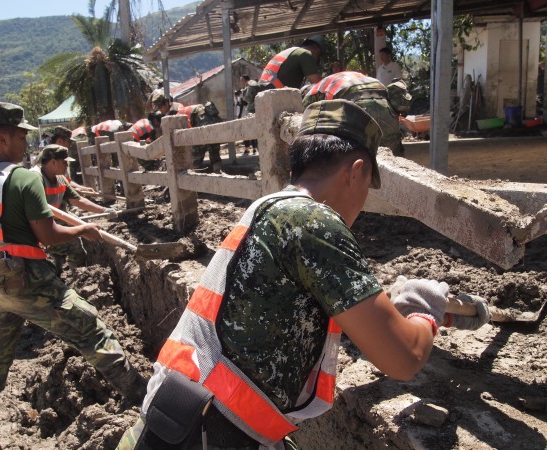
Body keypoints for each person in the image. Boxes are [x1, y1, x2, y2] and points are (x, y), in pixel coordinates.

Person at [116, 99, 490, 450]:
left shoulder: (271, 209)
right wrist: (426, 309)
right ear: (356, 171)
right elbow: (403, 358)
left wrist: (387, 313)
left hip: (181, 422)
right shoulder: (314, 222)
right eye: (367, 187)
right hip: (207, 433)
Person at [0, 102, 147, 450]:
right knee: (90, 330)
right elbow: (49, 235)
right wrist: (82, 231)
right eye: (22, 136)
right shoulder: (22, 177)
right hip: (27, 280)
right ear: (3, 138)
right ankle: (148, 401)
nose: (27, 144)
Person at [32, 144, 117, 274]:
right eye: (64, 162)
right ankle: (78, 276)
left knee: (71, 233)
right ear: (53, 162)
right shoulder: (35, 179)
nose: (67, 166)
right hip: (40, 225)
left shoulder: (60, 178)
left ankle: (59, 268)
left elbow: (78, 200)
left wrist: (103, 211)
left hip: (56, 219)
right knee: (76, 248)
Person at [302, 71, 406, 156]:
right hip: (384, 102)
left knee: (359, 152)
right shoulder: (337, 78)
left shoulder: (313, 92)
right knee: (393, 152)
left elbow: (309, 121)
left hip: (356, 104)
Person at [258, 35, 324, 90]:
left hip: (263, 94)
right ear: (317, 50)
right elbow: (319, 85)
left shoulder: (291, 52)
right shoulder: (305, 54)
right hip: (275, 96)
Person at [50, 125, 97, 195]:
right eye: (68, 142)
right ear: (59, 141)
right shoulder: (49, 158)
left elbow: (67, 181)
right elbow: (54, 186)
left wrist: (83, 188)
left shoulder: (61, 158)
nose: (70, 145)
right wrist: (73, 190)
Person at [191, 101, 223, 173]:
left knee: (196, 160)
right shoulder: (205, 110)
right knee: (215, 156)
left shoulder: (181, 112)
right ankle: (218, 172)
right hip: (214, 130)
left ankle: (196, 177)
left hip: (201, 131)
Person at [237, 74, 258, 156]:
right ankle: (247, 148)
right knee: (245, 131)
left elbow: (248, 100)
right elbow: (239, 104)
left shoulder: (251, 88)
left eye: (242, 80)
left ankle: (254, 148)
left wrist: (242, 96)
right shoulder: (244, 90)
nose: (241, 82)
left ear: (247, 80)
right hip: (243, 113)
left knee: (252, 130)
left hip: (249, 112)